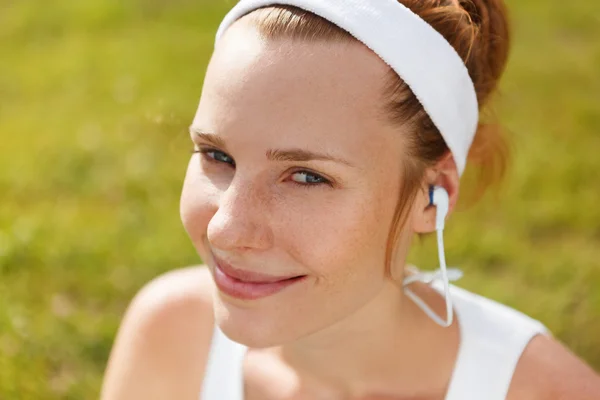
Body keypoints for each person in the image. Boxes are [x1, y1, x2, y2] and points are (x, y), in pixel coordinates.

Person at [100, 0, 600, 399]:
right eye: (216, 154)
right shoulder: (171, 334)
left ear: (434, 194)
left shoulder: (551, 392)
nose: (224, 229)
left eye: (306, 177)